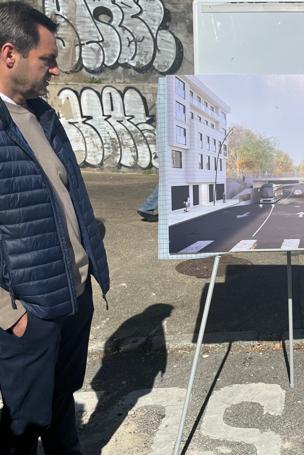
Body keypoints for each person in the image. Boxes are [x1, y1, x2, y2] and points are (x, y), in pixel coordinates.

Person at [0, 2, 110, 453]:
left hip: (73, 297)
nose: (55, 70)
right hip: (30, 315)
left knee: (63, 407)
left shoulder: (42, 116)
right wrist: (11, 315)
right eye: (46, 59)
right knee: (23, 426)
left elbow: (68, 199)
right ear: (11, 55)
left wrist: (88, 275)